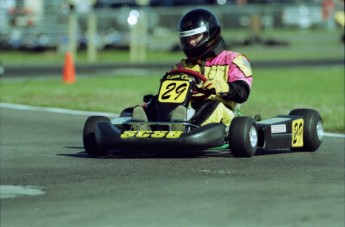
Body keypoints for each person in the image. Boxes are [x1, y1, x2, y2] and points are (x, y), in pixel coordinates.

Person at [132, 8, 253, 130]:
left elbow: (242, 92)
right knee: (155, 102)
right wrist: (153, 103)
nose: (192, 42)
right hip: (184, 110)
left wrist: (221, 87)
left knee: (214, 105)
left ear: (210, 34)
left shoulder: (233, 59)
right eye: (188, 38)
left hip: (223, 116)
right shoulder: (181, 66)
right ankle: (145, 126)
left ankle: (186, 128)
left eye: (196, 36)